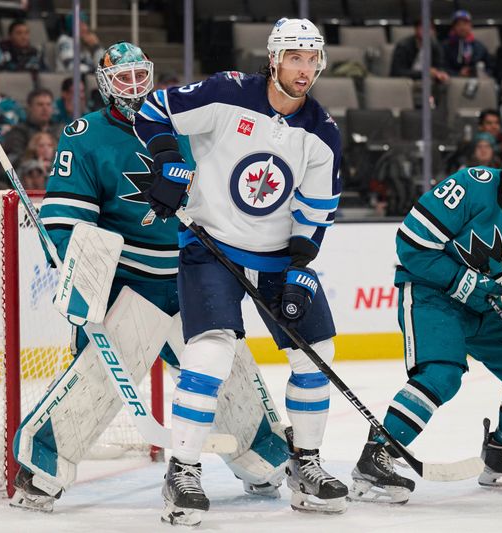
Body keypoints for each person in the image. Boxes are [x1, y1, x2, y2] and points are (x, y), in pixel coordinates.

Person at [10, 41, 290, 517]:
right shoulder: (85, 135)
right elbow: (65, 218)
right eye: (123, 79)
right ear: (104, 85)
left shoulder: (185, 123)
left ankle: (264, 460)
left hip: (189, 272)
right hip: (126, 281)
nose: (134, 87)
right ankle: (40, 469)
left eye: (141, 76)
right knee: (97, 379)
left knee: (227, 370)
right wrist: (78, 266)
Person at [135, 17, 348, 524]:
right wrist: (166, 160)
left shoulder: (321, 132)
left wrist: (299, 267)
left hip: (276, 257)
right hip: (209, 244)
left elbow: (315, 214)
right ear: (274, 58)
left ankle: (307, 463)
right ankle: (182, 471)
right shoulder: (227, 92)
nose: (304, 68)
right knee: (209, 353)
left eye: (312, 59)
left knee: (316, 351)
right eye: (295, 57)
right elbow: (152, 110)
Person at [350, 130, 502, 504]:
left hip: (481, 303)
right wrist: (462, 281)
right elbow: (412, 245)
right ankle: (377, 454)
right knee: (442, 375)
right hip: (431, 293)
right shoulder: (471, 186)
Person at [2, 88, 61, 168]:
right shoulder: (18, 132)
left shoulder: (60, 130)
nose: (45, 108)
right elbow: (14, 160)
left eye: (48, 104)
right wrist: (36, 164)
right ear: (30, 107)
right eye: (40, 104)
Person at [442, 10, 492, 77]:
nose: (462, 27)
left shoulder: (480, 47)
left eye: (465, 24)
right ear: (453, 27)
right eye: (458, 24)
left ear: (470, 25)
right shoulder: (446, 46)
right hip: (454, 81)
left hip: (477, 81)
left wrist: (482, 74)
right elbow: (442, 67)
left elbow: (490, 67)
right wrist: (457, 73)